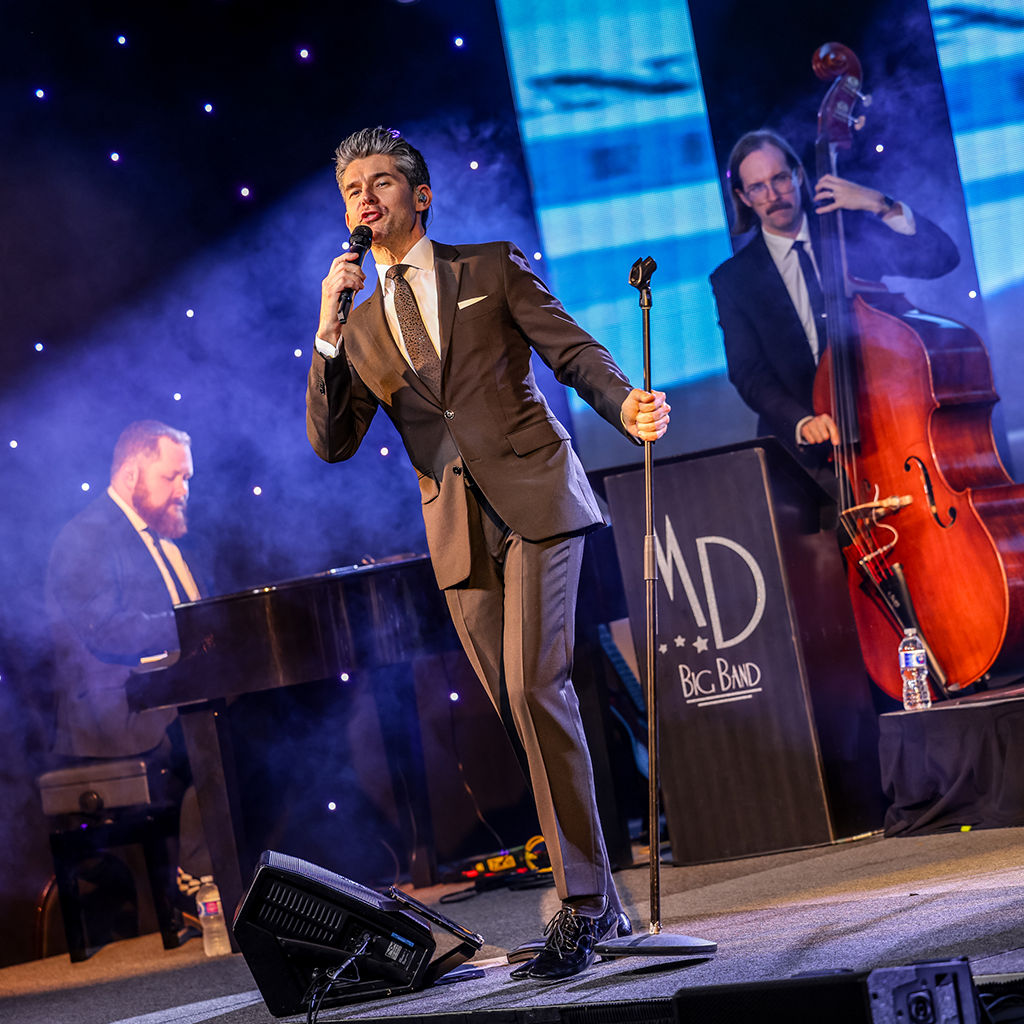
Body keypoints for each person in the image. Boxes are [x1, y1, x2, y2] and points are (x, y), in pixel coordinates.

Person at [306, 127, 670, 981]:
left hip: (538, 495)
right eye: (352, 188)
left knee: (533, 683)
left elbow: (573, 351)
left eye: (383, 182)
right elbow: (330, 443)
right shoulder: (356, 327)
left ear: (419, 195)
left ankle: (579, 908)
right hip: (457, 531)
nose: (366, 198)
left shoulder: (490, 266)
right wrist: (326, 329)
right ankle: (604, 906)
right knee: (520, 707)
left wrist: (624, 407)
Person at [710, 129, 959, 479]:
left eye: (780, 178)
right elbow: (749, 372)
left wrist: (880, 204)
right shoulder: (733, 280)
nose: (773, 195)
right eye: (758, 187)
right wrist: (801, 421)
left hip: (886, 427)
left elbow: (942, 259)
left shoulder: (847, 236)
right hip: (805, 457)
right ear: (744, 197)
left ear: (798, 175)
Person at [46, 420, 210, 912]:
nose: (183, 490)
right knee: (218, 735)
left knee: (264, 721)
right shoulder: (86, 536)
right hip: (111, 710)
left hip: (156, 697)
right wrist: (195, 630)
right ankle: (199, 879)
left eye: (188, 479)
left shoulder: (163, 539)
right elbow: (105, 629)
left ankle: (233, 873)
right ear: (133, 471)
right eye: (172, 477)